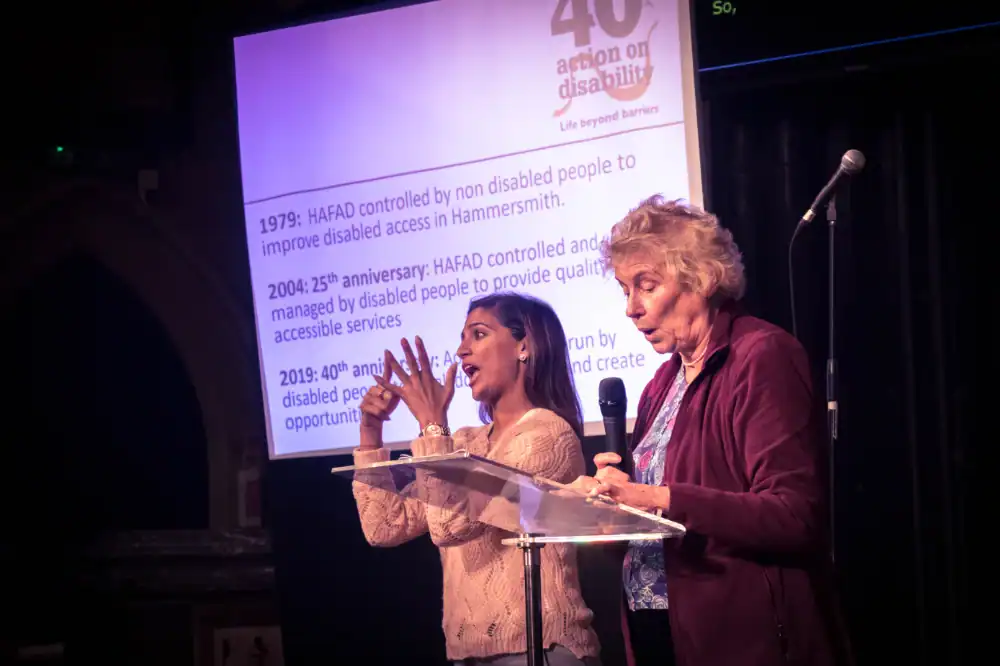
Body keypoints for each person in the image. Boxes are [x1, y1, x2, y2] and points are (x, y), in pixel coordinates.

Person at [572, 196, 851, 666]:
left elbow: (794, 515)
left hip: (740, 636)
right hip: (655, 627)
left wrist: (656, 497)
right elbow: (651, 531)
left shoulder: (761, 356)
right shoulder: (661, 385)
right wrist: (608, 505)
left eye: (646, 286)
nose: (631, 309)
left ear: (700, 277)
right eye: (624, 290)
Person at [351, 292, 602, 666]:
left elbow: (449, 526)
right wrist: (371, 431)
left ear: (524, 346)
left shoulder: (548, 434)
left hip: (540, 649)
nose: (461, 351)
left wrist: (432, 425)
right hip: (467, 655)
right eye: (462, 338)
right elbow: (384, 527)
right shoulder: (465, 442)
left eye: (479, 334)